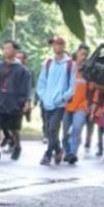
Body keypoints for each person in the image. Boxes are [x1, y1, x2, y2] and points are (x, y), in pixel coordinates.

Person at [0, 40, 32, 160]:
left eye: (8, 48)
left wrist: (22, 103)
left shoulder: (22, 71)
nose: (6, 51)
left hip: (14, 103)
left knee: (13, 129)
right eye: (4, 48)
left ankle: (17, 146)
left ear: (15, 51)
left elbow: (25, 89)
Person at [36, 36, 77, 165]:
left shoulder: (70, 64)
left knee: (53, 128)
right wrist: (43, 96)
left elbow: (72, 86)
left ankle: (48, 154)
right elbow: (41, 82)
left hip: (60, 103)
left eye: (58, 44)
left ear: (63, 46)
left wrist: (63, 97)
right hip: (46, 102)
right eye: (53, 45)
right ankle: (58, 149)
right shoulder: (48, 63)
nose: (55, 47)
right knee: (49, 130)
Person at [62, 44, 91, 164]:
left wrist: (91, 105)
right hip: (66, 105)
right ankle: (67, 152)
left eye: (86, 55)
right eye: (82, 54)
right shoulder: (68, 68)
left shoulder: (88, 72)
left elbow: (92, 89)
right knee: (65, 132)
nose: (84, 57)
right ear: (76, 53)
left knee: (77, 128)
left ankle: (73, 153)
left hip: (81, 106)